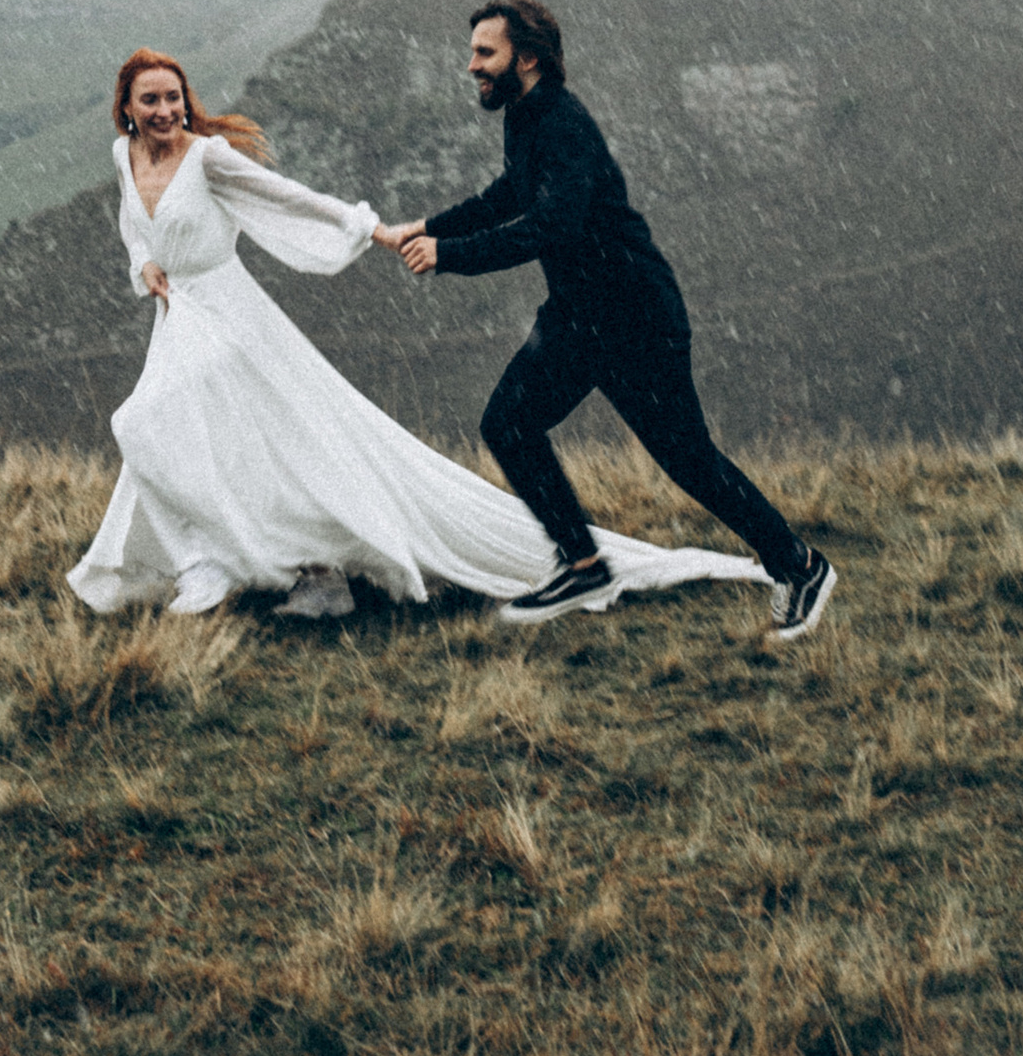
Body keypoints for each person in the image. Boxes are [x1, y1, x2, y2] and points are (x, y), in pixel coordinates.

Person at [66, 48, 771, 624]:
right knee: (201, 435)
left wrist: (370, 229)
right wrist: (146, 267)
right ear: (125, 108)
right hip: (179, 317)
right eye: (149, 101)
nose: (164, 111)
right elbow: (136, 229)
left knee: (162, 423)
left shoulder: (207, 157)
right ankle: (223, 560)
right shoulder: (123, 158)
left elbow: (292, 201)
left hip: (232, 316)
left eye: (173, 98)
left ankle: (261, 564)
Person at [382, 0, 836, 642]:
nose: (471, 66)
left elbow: (551, 224)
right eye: (473, 52)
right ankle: (585, 564)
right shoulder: (526, 115)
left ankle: (799, 567)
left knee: (688, 460)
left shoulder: (562, 123)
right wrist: (427, 226)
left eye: (485, 53)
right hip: (579, 316)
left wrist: (448, 255)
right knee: (508, 424)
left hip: (633, 316)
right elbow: (509, 195)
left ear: (528, 57)